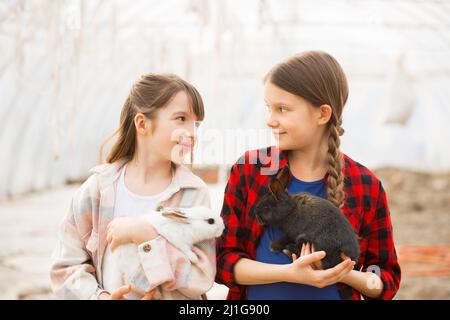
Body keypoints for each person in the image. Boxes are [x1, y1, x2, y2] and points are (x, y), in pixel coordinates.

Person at [216, 51, 401, 300]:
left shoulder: (365, 185)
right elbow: (223, 260)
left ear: (322, 114)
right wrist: (289, 273)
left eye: (282, 109)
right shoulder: (251, 169)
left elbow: (384, 277)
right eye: (269, 108)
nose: (270, 120)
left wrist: (342, 272)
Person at [50, 73, 215, 300]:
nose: (193, 133)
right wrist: (100, 298)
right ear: (142, 123)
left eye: (196, 124)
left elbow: (201, 277)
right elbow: (64, 268)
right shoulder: (98, 189)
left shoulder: (194, 193)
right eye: (181, 119)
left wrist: (147, 236)